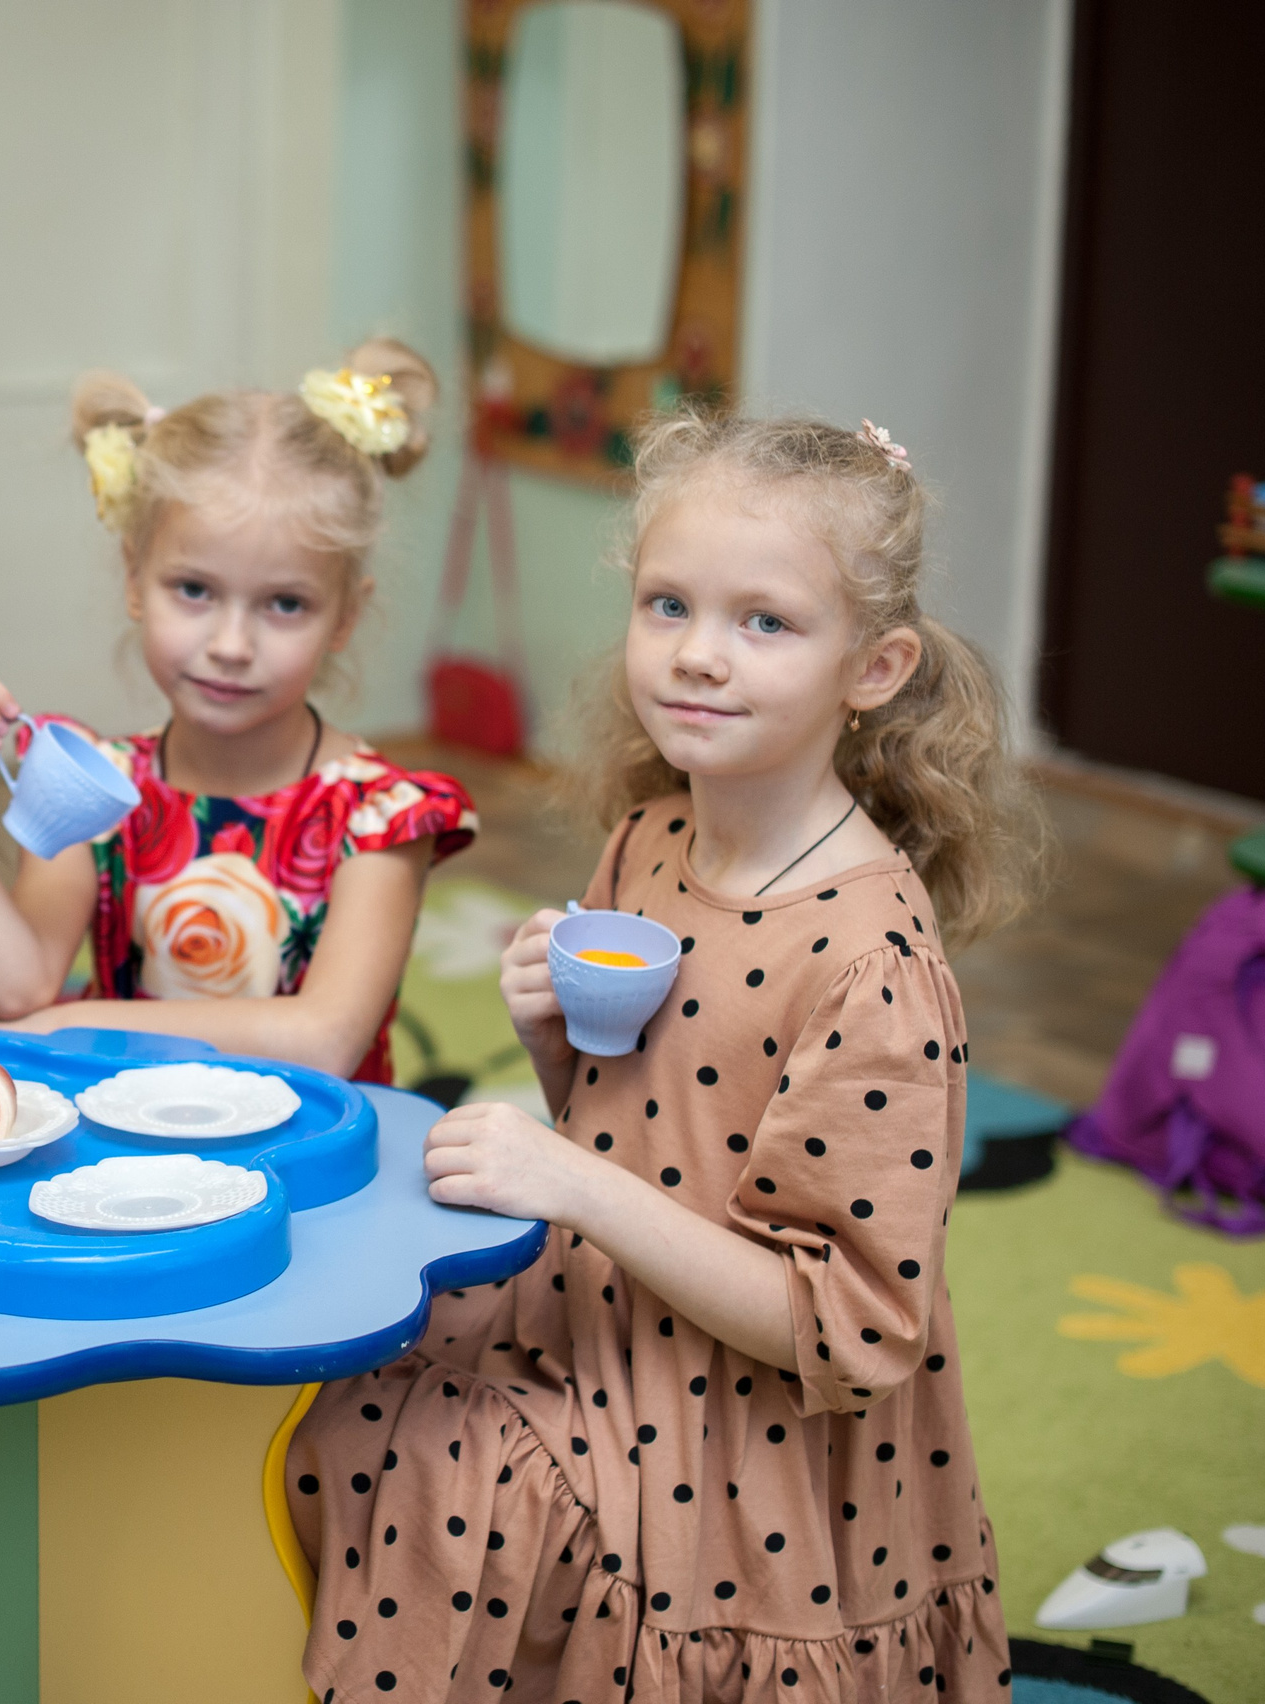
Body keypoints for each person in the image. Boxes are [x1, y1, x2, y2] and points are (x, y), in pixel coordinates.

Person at [286, 414, 1048, 1701]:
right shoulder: (647, 839)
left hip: (751, 1435)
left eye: (766, 623)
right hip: (607, 1318)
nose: (699, 654)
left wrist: (575, 1183)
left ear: (875, 667)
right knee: (344, 1374)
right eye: (668, 604)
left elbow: (847, 1326)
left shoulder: (873, 966)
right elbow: (644, 1129)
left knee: (443, 1469)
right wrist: (552, 1051)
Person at [0, 341, 476, 1082]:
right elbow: (14, 988)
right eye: (194, 590)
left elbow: (325, 1040)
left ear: (345, 618)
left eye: (286, 604)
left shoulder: (380, 814)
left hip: (312, 1172)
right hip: (123, 1167)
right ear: (135, 578)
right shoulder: (97, 790)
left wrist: (72, 1020)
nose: (231, 645)